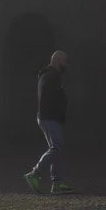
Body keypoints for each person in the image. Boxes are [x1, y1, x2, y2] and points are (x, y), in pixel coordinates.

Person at [25, 50, 73, 195]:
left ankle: (57, 183)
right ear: (58, 61)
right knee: (57, 148)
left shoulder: (49, 75)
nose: (66, 65)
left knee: (56, 149)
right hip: (49, 118)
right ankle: (34, 173)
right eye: (65, 62)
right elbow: (48, 96)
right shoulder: (51, 76)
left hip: (49, 117)